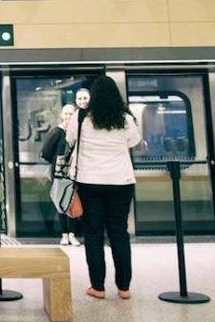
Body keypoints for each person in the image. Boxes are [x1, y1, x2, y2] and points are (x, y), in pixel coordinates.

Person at [66, 76, 141, 300]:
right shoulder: (125, 119)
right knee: (119, 232)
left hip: (90, 182)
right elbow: (133, 142)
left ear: (93, 96)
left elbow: (70, 140)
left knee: (94, 234)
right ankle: (124, 287)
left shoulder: (81, 118)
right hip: (121, 182)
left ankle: (98, 286)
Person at [41, 104, 80, 246]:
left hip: (75, 172)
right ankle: (64, 234)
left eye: (71, 113)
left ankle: (72, 234)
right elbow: (46, 152)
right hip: (59, 173)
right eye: (66, 114)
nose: (68, 116)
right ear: (61, 115)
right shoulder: (57, 131)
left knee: (73, 201)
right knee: (61, 201)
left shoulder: (77, 132)